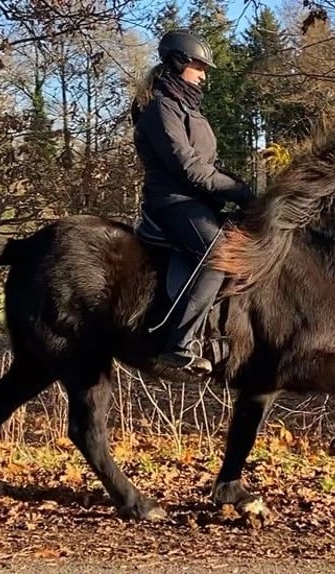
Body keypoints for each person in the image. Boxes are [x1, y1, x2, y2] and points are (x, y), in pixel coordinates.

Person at [131, 29, 255, 375]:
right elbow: (188, 167)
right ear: (179, 62)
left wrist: (242, 188)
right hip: (173, 201)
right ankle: (180, 345)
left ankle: (221, 336)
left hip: (198, 200)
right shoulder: (160, 109)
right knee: (218, 256)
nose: (204, 75)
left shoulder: (187, 107)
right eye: (200, 67)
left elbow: (208, 165)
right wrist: (238, 191)